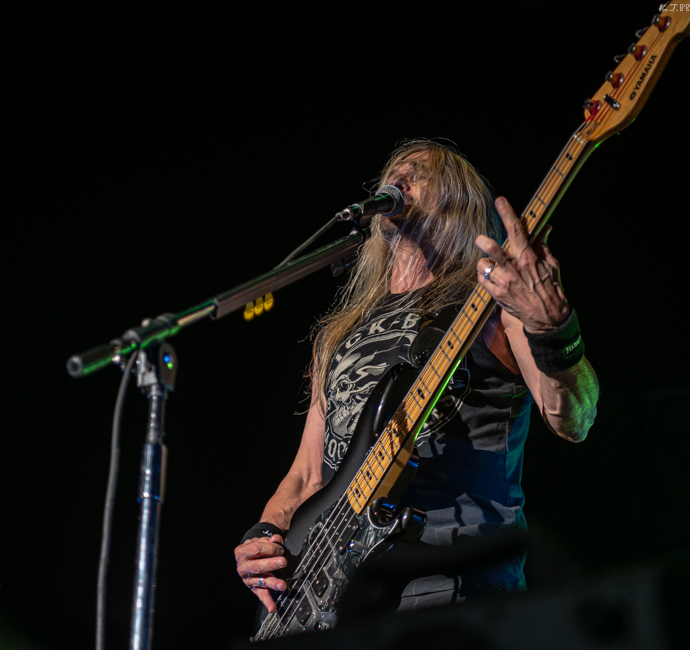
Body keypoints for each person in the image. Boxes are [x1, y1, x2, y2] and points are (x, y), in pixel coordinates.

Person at [233, 139, 599, 617]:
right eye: (394, 171)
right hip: (335, 602)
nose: (398, 179)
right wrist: (264, 536)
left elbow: (573, 417)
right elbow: (305, 475)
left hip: (452, 583)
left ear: (458, 199)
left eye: (419, 173)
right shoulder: (337, 335)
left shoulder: (490, 304)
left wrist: (553, 327)